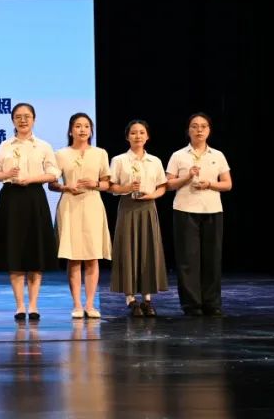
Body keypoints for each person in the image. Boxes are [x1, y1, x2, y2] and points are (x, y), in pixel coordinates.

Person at [0, 103, 60, 321]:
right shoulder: (5, 145)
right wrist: (6, 174)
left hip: (34, 197)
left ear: (34, 119)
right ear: (12, 120)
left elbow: (54, 173)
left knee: (35, 250)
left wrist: (31, 179)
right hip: (11, 198)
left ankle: (34, 305)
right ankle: (20, 305)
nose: (23, 120)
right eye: (18, 117)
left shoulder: (43, 146)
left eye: (27, 116)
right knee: (15, 251)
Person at [165, 112, 233, 316]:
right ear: (188, 130)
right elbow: (168, 184)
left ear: (209, 130)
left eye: (203, 126)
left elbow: (227, 184)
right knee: (188, 259)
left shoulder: (217, 155)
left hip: (212, 210)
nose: (199, 130)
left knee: (212, 258)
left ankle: (212, 303)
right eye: (194, 126)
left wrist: (209, 184)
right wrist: (187, 177)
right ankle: (191, 304)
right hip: (185, 210)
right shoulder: (178, 155)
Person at [50, 112, 111, 319]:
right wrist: (65, 187)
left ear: (91, 130)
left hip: (92, 203)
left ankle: (90, 304)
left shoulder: (100, 153)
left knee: (92, 256)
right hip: (70, 204)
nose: (82, 130)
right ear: (70, 131)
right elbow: (52, 184)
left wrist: (96, 183)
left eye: (86, 126)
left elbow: (107, 183)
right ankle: (76, 304)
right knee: (74, 257)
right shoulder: (61, 154)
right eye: (77, 126)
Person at [108, 119, 168, 317]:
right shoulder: (119, 160)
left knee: (148, 249)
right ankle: (131, 298)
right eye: (133, 133)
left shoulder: (155, 161)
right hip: (128, 206)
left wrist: (152, 195)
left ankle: (147, 299)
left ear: (147, 136)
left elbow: (162, 186)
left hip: (148, 207)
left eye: (142, 132)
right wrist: (126, 188)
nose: (138, 136)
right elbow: (111, 187)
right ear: (127, 137)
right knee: (128, 250)